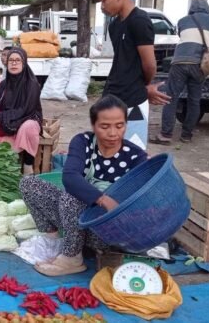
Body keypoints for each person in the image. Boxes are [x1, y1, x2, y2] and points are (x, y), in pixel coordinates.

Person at [21, 95, 147, 276]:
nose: (113, 133)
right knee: (29, 184)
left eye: (119, 126)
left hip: (104, 233)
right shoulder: (84, 142)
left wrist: (112, 207)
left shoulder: (136, 156)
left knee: (72, 197)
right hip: (74, 222)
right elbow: (70, 177)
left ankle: (72, 258)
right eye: (105, 126)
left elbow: (140, 196)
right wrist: (102, 199)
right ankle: (55, 242)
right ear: (94, 126)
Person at [93, 0, 170, 150]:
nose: (102, 7)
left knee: (132, 150)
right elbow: (122, 61)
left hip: (133, 100)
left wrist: (143, 88)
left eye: (104, 0)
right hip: (112, 94)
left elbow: (149, 64)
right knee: (107, 149)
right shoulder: (114, 26)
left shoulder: (139, 21)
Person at [152, 0, 209, 145]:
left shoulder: (182, 21)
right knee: (194, 100)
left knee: (171, 98)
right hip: (200, 64)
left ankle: (165, 135)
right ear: (207, 9)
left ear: (191, 9)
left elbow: (183, 37)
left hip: (179, 62)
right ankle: (186, 135)